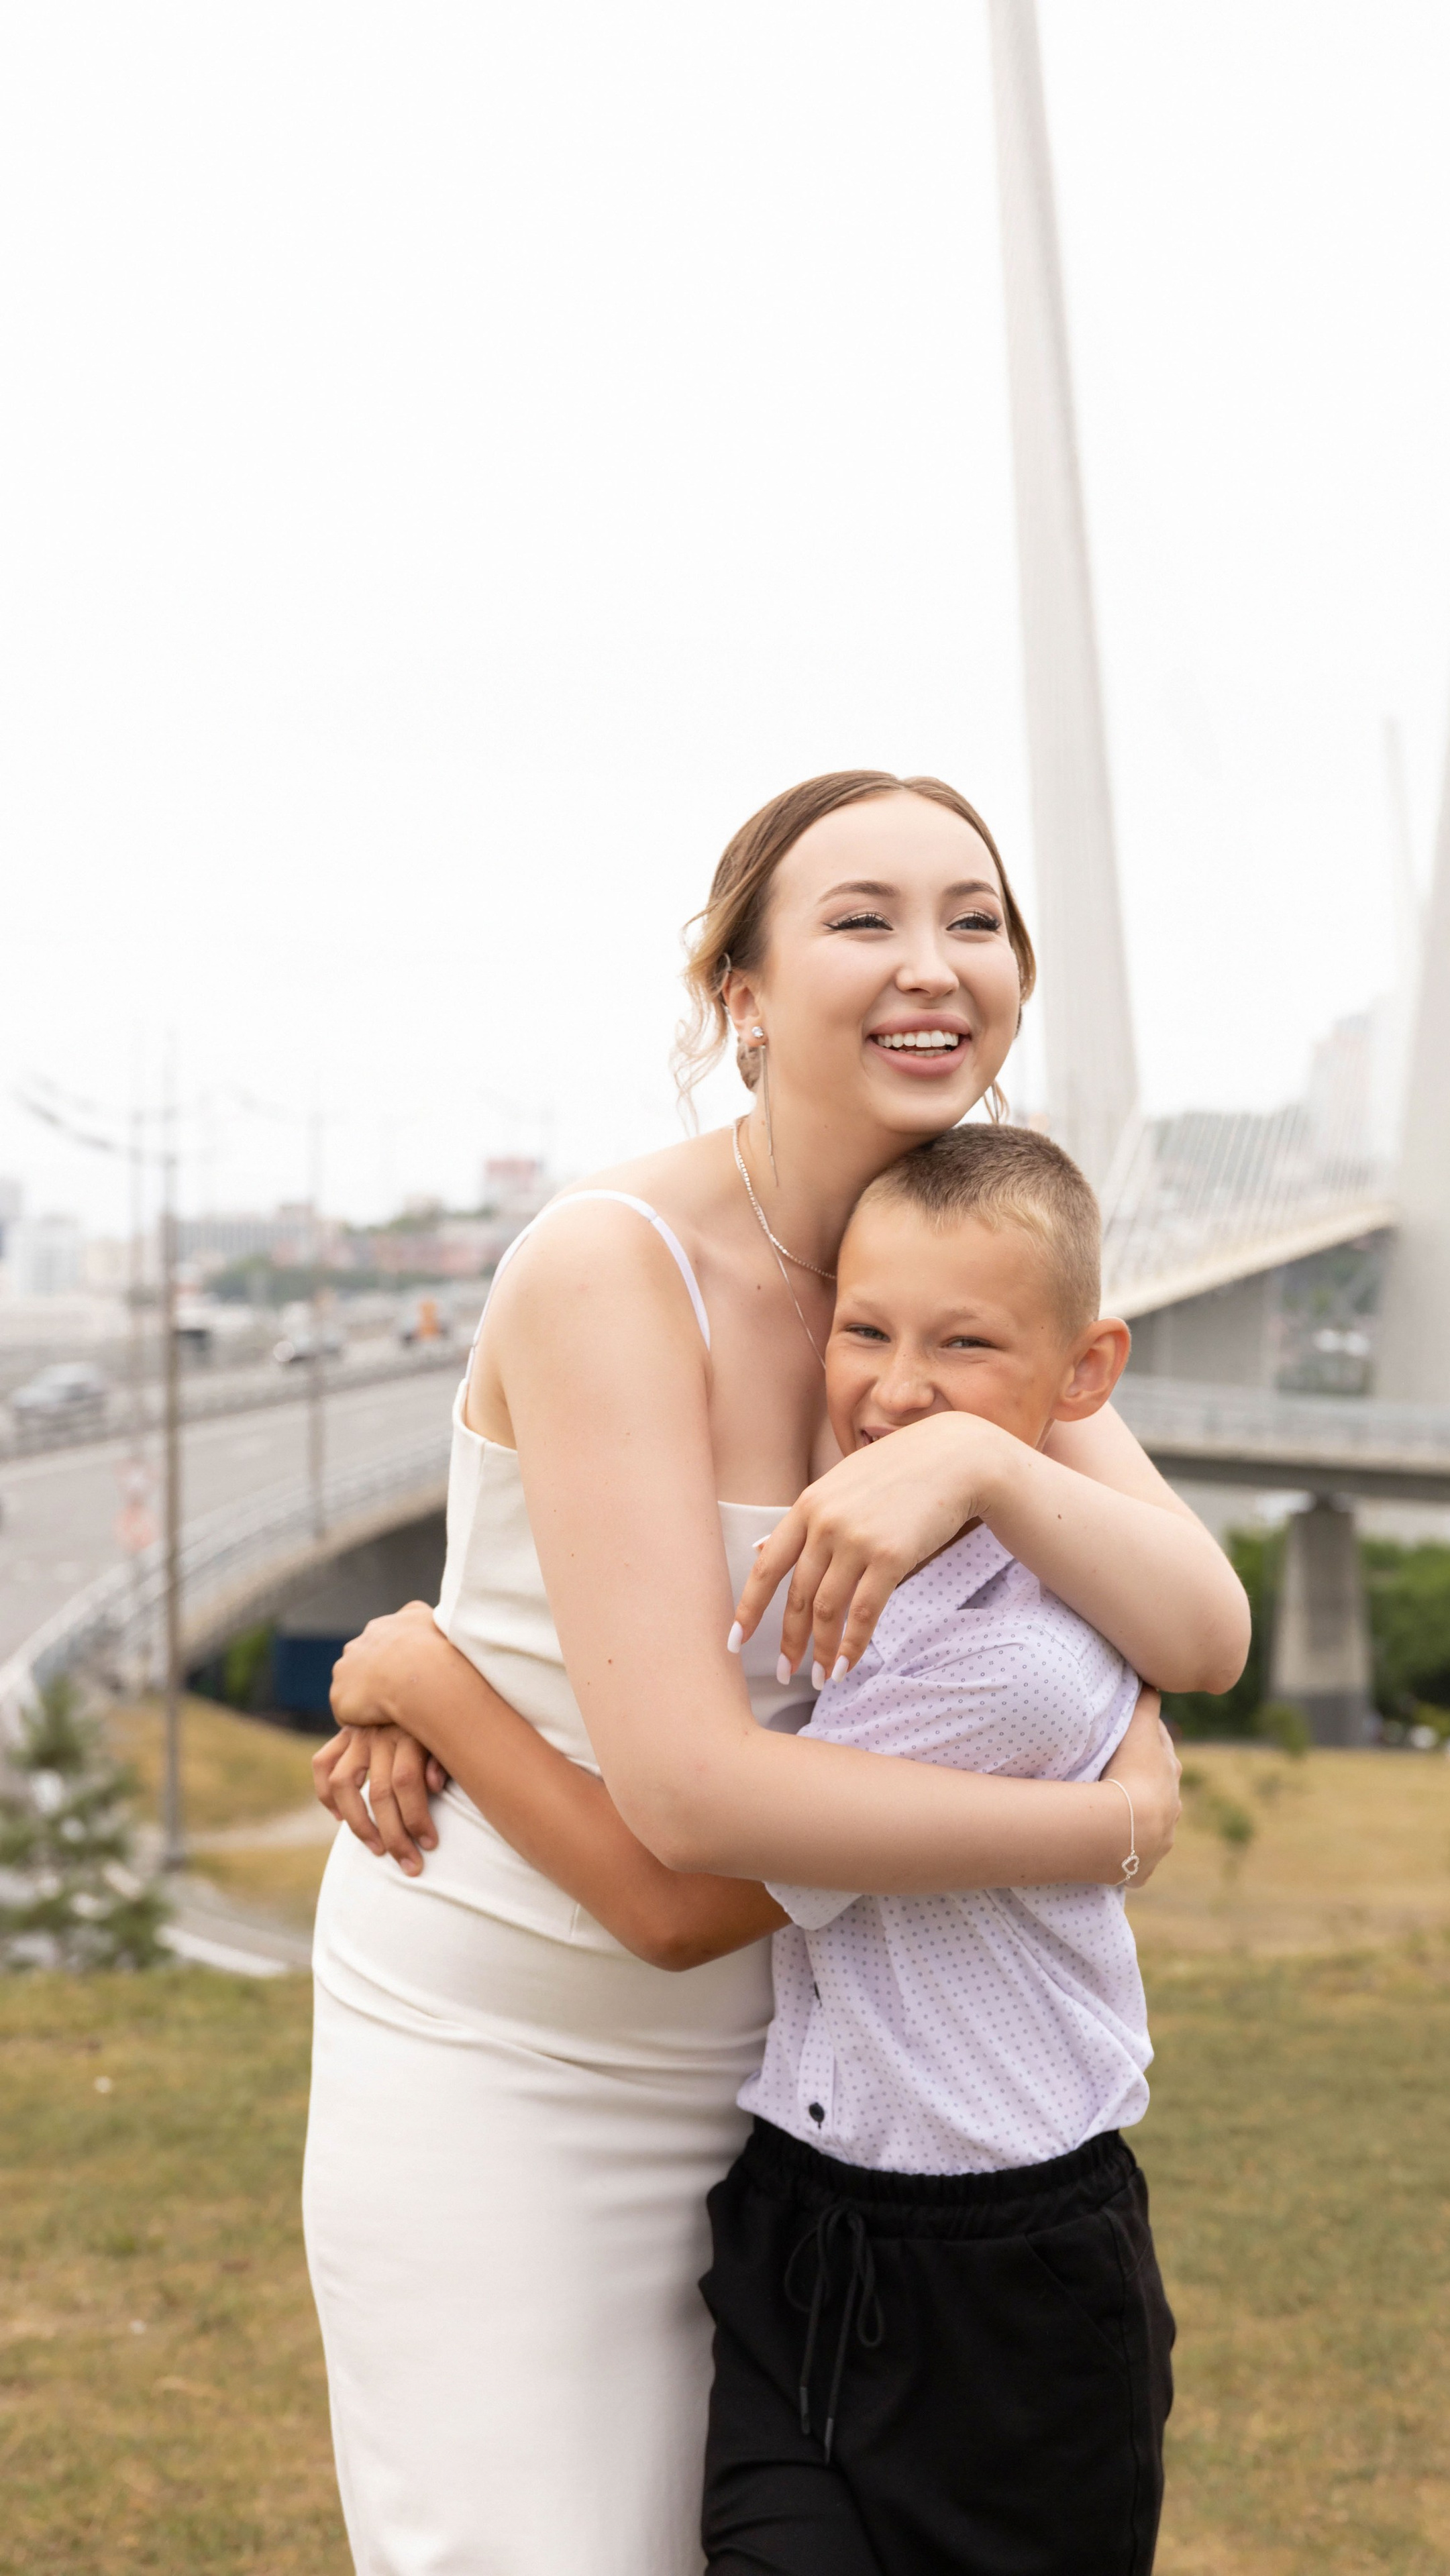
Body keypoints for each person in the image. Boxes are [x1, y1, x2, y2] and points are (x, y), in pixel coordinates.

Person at [306, 770, 1248, 2576]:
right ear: (736, 991)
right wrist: (1101, 1823)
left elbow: (1199, 1630)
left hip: (799, 2106)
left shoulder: (938, 1271)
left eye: (976, 919)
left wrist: (983, 1463)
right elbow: (686, 1810)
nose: (934, 963)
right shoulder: (613, 1265)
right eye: (864, 917)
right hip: (522, 2055)